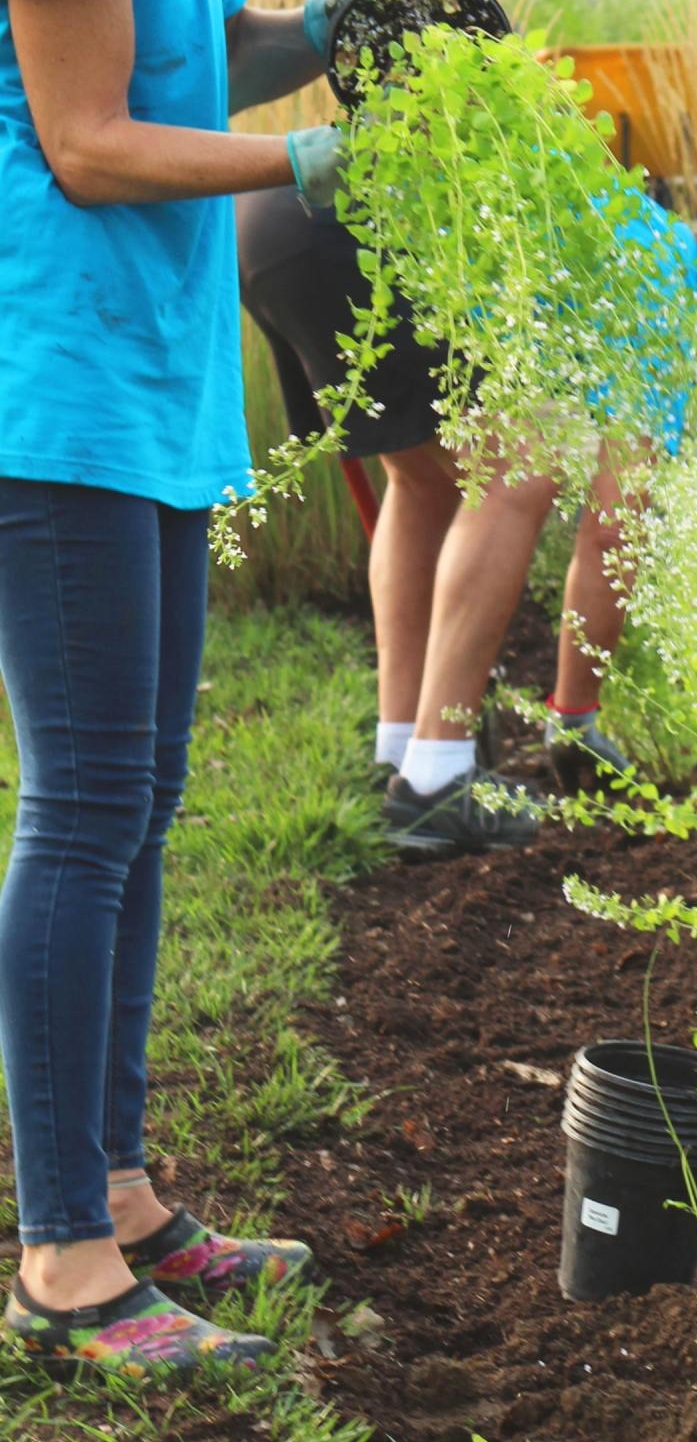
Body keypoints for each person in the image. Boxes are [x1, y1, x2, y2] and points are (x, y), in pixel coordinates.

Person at [0, 0, 351, 1380]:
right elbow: (86, 144)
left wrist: (332, 29)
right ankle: (63, 1261)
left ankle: (125, 1192)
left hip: (150, 382)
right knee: (83, 811)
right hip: (61, 383)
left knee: (139, 801)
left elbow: (202, 56)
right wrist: (312, 162)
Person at [237, 187, 697, 852]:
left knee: (424, 482)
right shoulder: (662, 283)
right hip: (359, 233)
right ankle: (437, 783)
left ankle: (403, 759)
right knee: (527, 460)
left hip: (281, 218)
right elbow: (611, 530)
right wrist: (574, 716)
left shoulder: (626, 227)